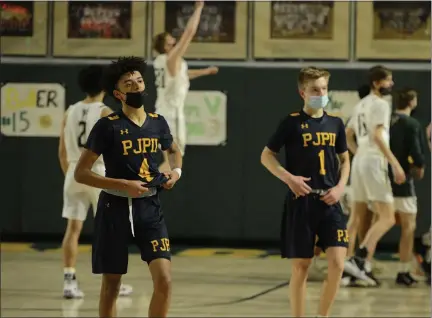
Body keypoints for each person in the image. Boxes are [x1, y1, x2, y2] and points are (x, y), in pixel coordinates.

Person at [74, 56, 183, 318]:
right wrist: (122, 183)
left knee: (165, 280)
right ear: (118, 93)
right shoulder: (107, 126)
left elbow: (174, 151)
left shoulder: (158, 122)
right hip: (114, 207)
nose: (136, 86)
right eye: (129, 84)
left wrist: (175, 173)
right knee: (112, 285)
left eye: (139, 81)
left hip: (150, 207)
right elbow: (81, 173)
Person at [261, 66, 350, 317]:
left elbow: (345, 160)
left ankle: (322, 315)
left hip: (330, 201)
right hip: (302, 202)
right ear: (302, 92)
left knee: (337, 263)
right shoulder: (291, 123)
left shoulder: (336, 123)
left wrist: (341, 187)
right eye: (314, 89)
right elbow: (266, 156)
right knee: (302, 267)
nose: (320, 93)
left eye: (323, 88)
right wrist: (289, 179)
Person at [59, 65, 132, 299]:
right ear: (104, 86)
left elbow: (61, 151)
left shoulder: (69, 111)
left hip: (73, 172)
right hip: (97, 173)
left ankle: (69, 281)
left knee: (73, 229)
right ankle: (113, 283)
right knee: (111, 231)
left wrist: (72, 174)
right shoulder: (104, 112)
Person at [344, 65, 406, 287]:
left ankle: (347, 268)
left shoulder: (361, 104)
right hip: (373, 161)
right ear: (377, 83)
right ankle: (359, 260)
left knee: (357, 217)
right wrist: (395, 164)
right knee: (388, 217)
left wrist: (358, 153)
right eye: (389, 80)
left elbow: (347, 134)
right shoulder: (380, 104)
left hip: (360, 160)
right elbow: (378, 136)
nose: (391, 84)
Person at [152, 0, 218, 171]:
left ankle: (147, 190)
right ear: (167, 47)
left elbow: (181, 76)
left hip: (162, 113)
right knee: (174, 161)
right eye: (171, 41)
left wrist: (204, 72)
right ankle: (144, 190)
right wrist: (198, 9)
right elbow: (189, 33)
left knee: (170, 161)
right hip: (171, 116)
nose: (174, 41)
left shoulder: (162, 62)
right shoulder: (170, 59)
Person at [389, 88, 425, 286]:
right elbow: (416, 153)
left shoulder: (387, 122)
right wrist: (419, 168)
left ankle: (362, 265)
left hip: (381, 180)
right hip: (402, 181)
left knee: (373, 224)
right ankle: (403, 271)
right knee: (408, 227)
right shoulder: (412, 124)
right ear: (412, 101)